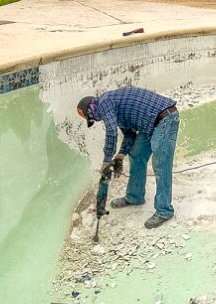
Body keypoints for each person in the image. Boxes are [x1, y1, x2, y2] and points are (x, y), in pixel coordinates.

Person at [77, 86, 180, 229]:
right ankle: (135, 196)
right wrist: (119, 156)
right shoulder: (113, 109)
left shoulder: (104, 103)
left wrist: (107, 161)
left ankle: (164, 211)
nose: (95, 119)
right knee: (136, 154)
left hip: (165, 118)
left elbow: (111, 132)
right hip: (150, 124)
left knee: (161, 164)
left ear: (91, 108)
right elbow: (130, 135)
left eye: (91, 116)